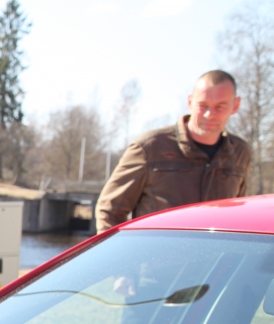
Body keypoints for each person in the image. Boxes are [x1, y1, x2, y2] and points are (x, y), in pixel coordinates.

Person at [96, 70, 252, 233]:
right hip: (155, 257)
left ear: (235, 105)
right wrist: (124, 257)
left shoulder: (240, 153)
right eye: (203, 105)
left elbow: (238, 216)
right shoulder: (150, 147)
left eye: (220, 107)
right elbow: (109, 210)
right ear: (190, 102)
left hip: (216, 257)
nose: (209, 114)